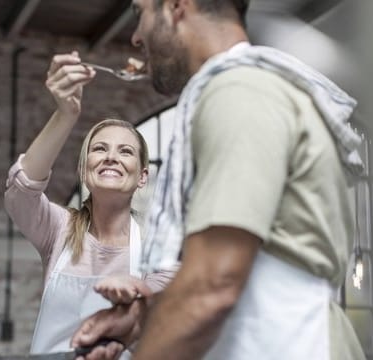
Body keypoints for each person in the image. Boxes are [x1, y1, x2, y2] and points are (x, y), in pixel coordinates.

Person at [70, 0, 367, 359]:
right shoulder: (242, 90)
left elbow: (213, 286)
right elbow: (246, 269)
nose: (135, 37)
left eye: (139, 13)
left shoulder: (240, 92)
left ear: (178, 6)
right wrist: (143, 322)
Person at [3, 51, 174, 356]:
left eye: (125, 152)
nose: (111, 157)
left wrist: (138, 296)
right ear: (84, 169)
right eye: (99, 149)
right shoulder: (58, 229)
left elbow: (162, 327)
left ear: (142, 176)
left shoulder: (156, 249)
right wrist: (65, 113)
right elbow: (22, 190)